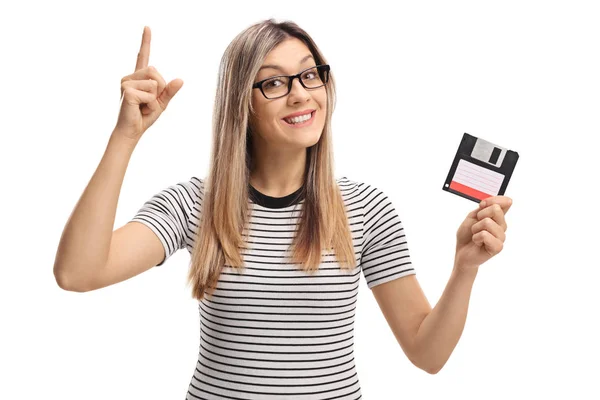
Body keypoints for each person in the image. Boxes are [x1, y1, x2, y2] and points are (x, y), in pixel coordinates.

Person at [53, 19, 512, 399]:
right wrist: (125, 137)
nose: (300, 94)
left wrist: (464, 269)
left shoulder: (367, 208)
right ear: (243, 104)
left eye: (311, 75)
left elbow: (427, 355)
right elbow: (77, 273)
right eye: (274, 82)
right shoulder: (195, 203)